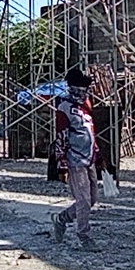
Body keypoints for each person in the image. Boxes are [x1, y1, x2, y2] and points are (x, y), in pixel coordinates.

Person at [51, 67, 101, 250]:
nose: (84, 91)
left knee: (93, 198)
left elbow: (91, 131)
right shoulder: (64, 108)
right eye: (81, 87)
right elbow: (61, 136)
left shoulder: (86, 105)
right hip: (74, 160)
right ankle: (84, 236)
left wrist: (99, 155)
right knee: (83, 200)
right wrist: (61, 164)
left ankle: (62, 218)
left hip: (90, 159)